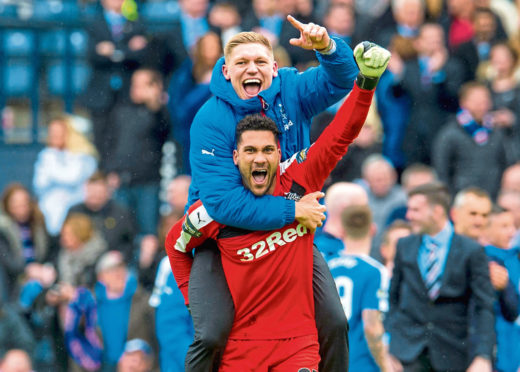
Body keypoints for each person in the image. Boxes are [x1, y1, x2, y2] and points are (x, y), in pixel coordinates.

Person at [166, 43, 389, 371]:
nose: (260, 158)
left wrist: (365, 82)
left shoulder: (299, 176)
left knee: (336, 322)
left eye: (268, 150)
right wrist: (192, 299)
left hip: (294, 347)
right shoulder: (214, 207)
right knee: (211, 334)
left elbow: (341, 133)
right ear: (235, 156)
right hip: (238, 334)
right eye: (251, 151)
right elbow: (177, 243)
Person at [387, 182, 495, 372]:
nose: (408, 216)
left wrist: (483, 355)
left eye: (415, 210)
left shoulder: (471, 250)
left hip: (453, 352)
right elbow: (393, 298)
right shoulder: (405, 246)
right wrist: (390, 345)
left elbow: (484, 306)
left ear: (437, 211)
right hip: (408, 353)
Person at [328, 205, 392, 372]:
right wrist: (386, 366)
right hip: (359, 363)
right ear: (373, 229)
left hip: (326, 361)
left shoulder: (324, 267)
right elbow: (371, 325)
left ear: (341, 231)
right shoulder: (375, 271)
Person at [68, 171, 137, 265]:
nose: (95, 196)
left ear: (107, 192)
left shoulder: (120, 213)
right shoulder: (75, 211)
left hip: (110, 263)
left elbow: (129, 242)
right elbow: (65, 239)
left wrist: (121, 255)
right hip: (78, 260)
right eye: (92, 192)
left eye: (98, 192)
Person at [482, 205, 520, 372]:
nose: (511, 232)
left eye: (512, 225)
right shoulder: (483, 260)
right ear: (486, 229)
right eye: (504, 226)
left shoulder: (515, 258)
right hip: (496, 343)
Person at [314, 182, 369, 260]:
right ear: (345, 208)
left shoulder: (314, 246)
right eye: (362, 208)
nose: (366, 215)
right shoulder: (341, 251)